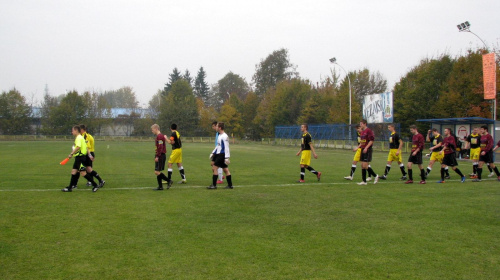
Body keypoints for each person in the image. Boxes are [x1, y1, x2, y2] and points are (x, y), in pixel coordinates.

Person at [62, 125, 98, 192]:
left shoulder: (78, 138)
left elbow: (78, 147)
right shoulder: (81, 137)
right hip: (78, 158)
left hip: (80, 158)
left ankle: (95, 185)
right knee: (73, 172)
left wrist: (71, 154)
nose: (72, 132)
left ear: (76, 130)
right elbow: (86, 147)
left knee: (83, 173)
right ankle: (70, 188)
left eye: (72, 130)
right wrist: (89, 155)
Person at [207, 122, 233, 189]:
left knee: (214, 168)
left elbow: (227, 147)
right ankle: (230, 185)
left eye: (217, 126)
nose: (216, 127)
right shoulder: (219, 135)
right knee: (226, 170)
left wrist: (227, 157)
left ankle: (214, 185)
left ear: (220, 128)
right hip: (219, 154)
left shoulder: (225, 136)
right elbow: (218, 146)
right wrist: (213, 153)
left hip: (222, 155)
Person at [80, 124, 105, 189]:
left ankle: (98, 180)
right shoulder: (85, 135)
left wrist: (89, 155)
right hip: (88, 153)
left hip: (88, 153)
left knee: (87, 169)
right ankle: (94, 181)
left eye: (80, 129)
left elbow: (87, 146)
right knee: (88, 169)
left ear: (83, 130)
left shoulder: (86, 136)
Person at [357, 119, 379, 185]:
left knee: (365, 165)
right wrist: (358, 147)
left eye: (361, 124)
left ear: (365, 124)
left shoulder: (368, 131)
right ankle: (364, 181)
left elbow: (371, 140)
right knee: (362, 165)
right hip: (363, 149)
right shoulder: (362, 132)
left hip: (367, 150)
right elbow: (362, 142)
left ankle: (376, 176)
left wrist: (366, 147)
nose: (360, 125)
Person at [151, 124, 172, 190]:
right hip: (160, 155)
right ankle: (160, 187)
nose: (152, 131)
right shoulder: (159, 136)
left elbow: (160, 147)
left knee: (157, 171)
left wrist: (157, 156)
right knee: (158, 171)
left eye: (152, 129)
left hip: (160, 155)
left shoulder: (159, 136)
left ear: (156, 129)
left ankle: (169, 181)